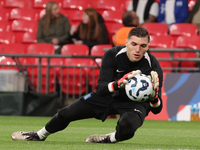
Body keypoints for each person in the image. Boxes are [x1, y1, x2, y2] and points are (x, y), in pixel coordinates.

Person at [11, 27, 163, 143]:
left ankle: (109, 139)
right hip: (108, 95)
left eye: (143, 46)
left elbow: (157, 110)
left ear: (148, 46)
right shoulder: (112, 55)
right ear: (126, 42)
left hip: (134, 103)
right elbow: (101, 88)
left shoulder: (153, 66)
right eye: (134, 44)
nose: (137, 50)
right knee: (66, 113)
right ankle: (39, 135)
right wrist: (118, 83)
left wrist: (154, 97)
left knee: (127, 128)